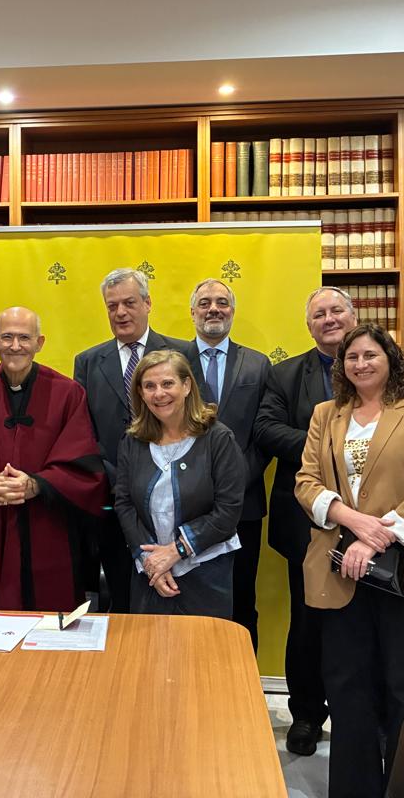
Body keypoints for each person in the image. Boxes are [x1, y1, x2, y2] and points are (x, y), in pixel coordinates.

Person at [292, 322, 404, 798]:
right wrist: (351, 521)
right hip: (339, 568)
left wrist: (375, 537)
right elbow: (306, 481)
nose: (361, 364)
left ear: (391, 360)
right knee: (347, 686)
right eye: (352, 357)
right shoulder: (327, 414)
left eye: (370, 355)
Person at [0, 307, 105, 610]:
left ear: (40, 343)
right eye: (7, 337)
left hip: (48, 528)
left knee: (49, 631)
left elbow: (84, 464)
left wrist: (36, 485)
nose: (15, 346)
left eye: (24, 338)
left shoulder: (68, 393)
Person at [253, 285, 357, 755]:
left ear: (353, 316)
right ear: (309, 324)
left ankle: (360, 715)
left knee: (363, 627)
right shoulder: (285, 373)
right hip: (306, 520)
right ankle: (307, 715)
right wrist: (326, 445)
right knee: (309, 622)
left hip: (371, 521)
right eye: (319, 313)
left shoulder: (383, 366)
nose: (329, 319)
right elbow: (267, 429)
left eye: (337, 310)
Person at [73, 267, 185, 612]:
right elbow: (81, 430)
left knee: (172, 596)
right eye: (112, 306)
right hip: (110, 497)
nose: (120, 313)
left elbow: (194, 423)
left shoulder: (181, 353)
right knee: (121, 595)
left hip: (173, 497)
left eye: (129, 303)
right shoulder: (88, 362)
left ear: (148, 303)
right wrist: (115, 477)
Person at [114, 350, 246, 617]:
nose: (159, 393)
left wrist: (177, 551)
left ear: (186, 386)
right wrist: (149, 560)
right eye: (149, 386)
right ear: (140, 393)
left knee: (203, 655)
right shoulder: (133, 441)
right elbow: (124, 503)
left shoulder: (218, 439)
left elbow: (228, 512)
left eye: (167, 383)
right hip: (149, 572)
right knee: (149, 654)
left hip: (206, 573)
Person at [177, 279, 272, 646]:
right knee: (190, 597)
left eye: (222, 302)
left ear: (233, 310)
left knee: (242, 599)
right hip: (184, 506)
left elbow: (263, 436)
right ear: (192, 311)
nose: (213, 309)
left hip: (243, 504)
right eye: (204, 302)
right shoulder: (173, 361)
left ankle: (242, 691)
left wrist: (232, 484)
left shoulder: (258, 364)